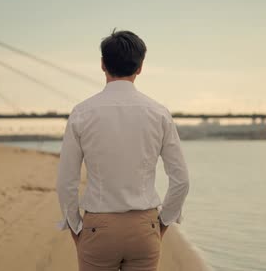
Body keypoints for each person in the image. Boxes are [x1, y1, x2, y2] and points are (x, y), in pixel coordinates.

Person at [56, 29, 190, 271]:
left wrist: (76, 228)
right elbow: (181, 180)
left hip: (98, 228)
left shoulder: (81, 113)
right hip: (144, 227)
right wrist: (162, 224)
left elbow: (67, 181)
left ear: (102, 65)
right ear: (140, 68)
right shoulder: (159, 113)